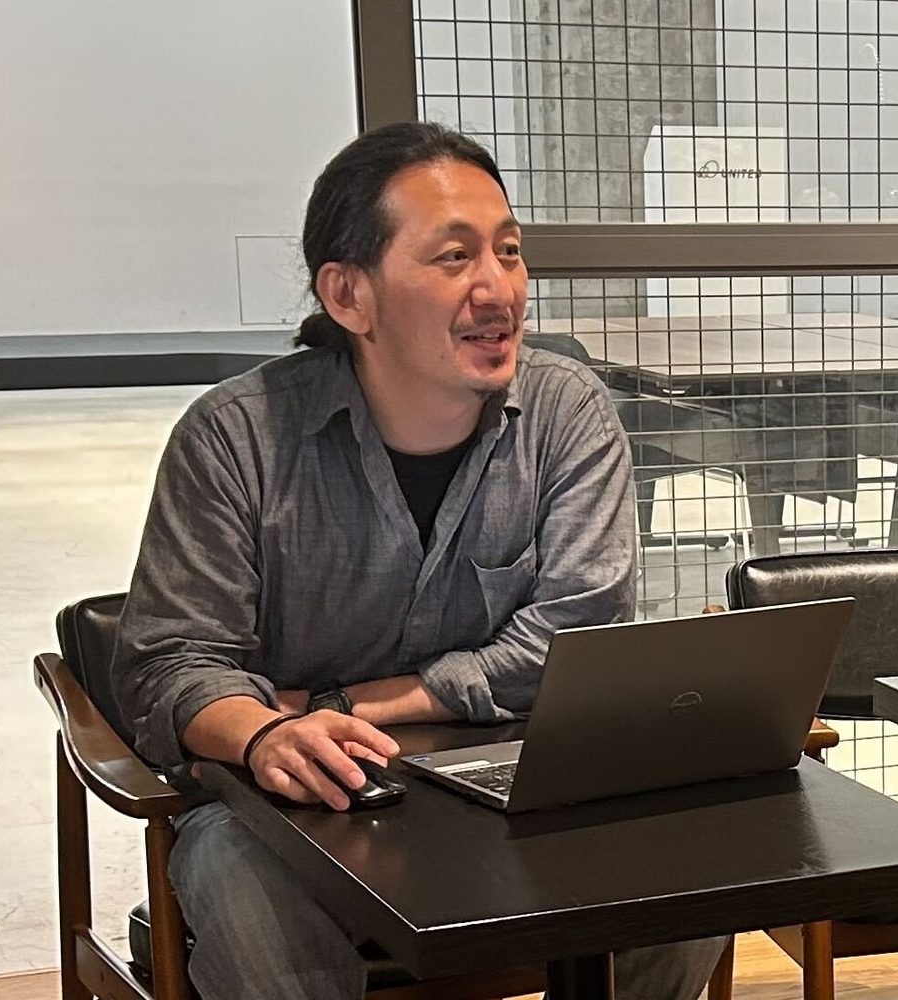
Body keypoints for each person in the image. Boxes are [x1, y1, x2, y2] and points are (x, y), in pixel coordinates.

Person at [112, 121, 728, 1000]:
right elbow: (172, 662)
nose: (498, 289)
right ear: (349, 295)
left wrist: (335, 702)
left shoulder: (566, 414)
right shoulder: (235, 439)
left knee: (695, 863)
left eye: (509, 251)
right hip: (296, 805)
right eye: (453, 257)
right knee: (242, 889)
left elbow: (576, 637)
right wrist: (270, 731)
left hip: (513, 775)